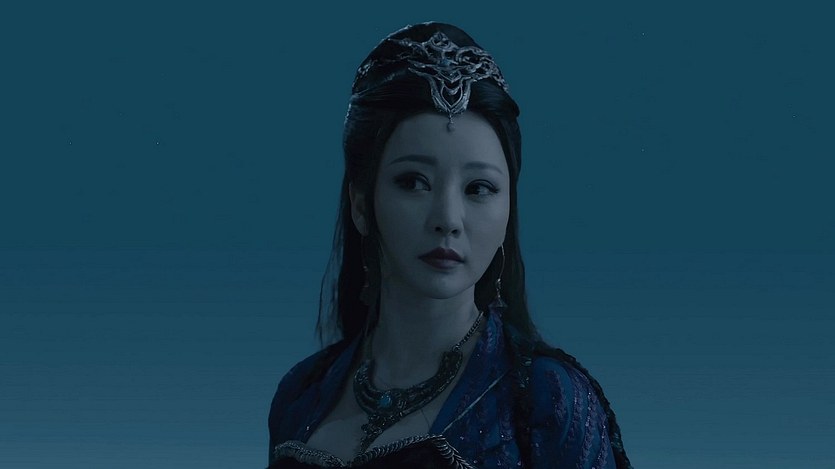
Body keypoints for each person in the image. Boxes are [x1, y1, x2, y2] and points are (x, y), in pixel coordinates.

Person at [267, 22, 632, 468]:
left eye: (479, 188)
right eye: (413, 182)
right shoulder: (302, 393)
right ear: (361, 205)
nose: (447, 219)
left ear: (508, 208)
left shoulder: (546, 401)